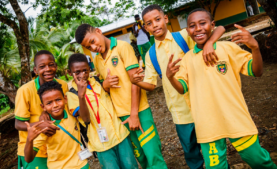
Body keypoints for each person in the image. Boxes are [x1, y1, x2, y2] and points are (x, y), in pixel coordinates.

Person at [166, 8, 277, 169]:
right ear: (188, 31)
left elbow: (257, 71)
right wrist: (170, 77)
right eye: (192, 25)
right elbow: (182, 88)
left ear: (212, 25)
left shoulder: (227, 48)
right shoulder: (187, 59)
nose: (197, 28)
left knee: (258, 160)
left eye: (202, 23)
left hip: (236, 118)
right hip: (207, 125)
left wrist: (255, 48)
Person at [130, 4, 225, 169]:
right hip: (180, 112)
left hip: (203, 104)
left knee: (212, 146)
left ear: (165, 19)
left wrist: (210, 43)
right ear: (145, 27)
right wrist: (136, 81)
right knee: (190, 151)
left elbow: (220, 28)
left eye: (158, 19)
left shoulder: (183, 36)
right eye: (150, 23)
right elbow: (151, 85)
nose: (155, 25)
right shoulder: (150, 54)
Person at [75, 24, 167, 169]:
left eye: (92, 41)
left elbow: (135, 81)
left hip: (139, 111)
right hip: (120, 117)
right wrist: (105, 84)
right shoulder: (98, 60)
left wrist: (134, 113)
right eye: (88, 47)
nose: (93, 48)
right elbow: (104, 89)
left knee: (153, 155)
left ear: (98, 31)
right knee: (140, 156)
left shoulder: (122, 47)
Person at [66, 53, 138, 169]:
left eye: (85, 70)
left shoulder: (97, 81)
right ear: (70, 73)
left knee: (130, 166)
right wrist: (81, 96)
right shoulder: (72, 95)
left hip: (120, 134)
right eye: (77, 72)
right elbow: (85, 119)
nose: (82, 75)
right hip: (101, 144)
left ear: (90, 69)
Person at [14, 50, 68, 169]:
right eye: (42, 66)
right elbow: (18, 124)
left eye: (51, 64)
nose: (48, 69)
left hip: (58, 146)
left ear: (56, 66)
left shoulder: (63, 85)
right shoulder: (25, 91)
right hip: (34, 149)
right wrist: (40, 125)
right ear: (36, 70)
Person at [24, 81, 90, 169]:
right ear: (43, 107)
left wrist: (81, 96)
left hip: (81, 164)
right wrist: (29, 139)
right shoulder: (46, 128)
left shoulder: (70, 111)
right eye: (49, 103)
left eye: (58, 100)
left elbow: (86, 117)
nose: (55, 105)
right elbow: (28, 159)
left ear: (65, 99)